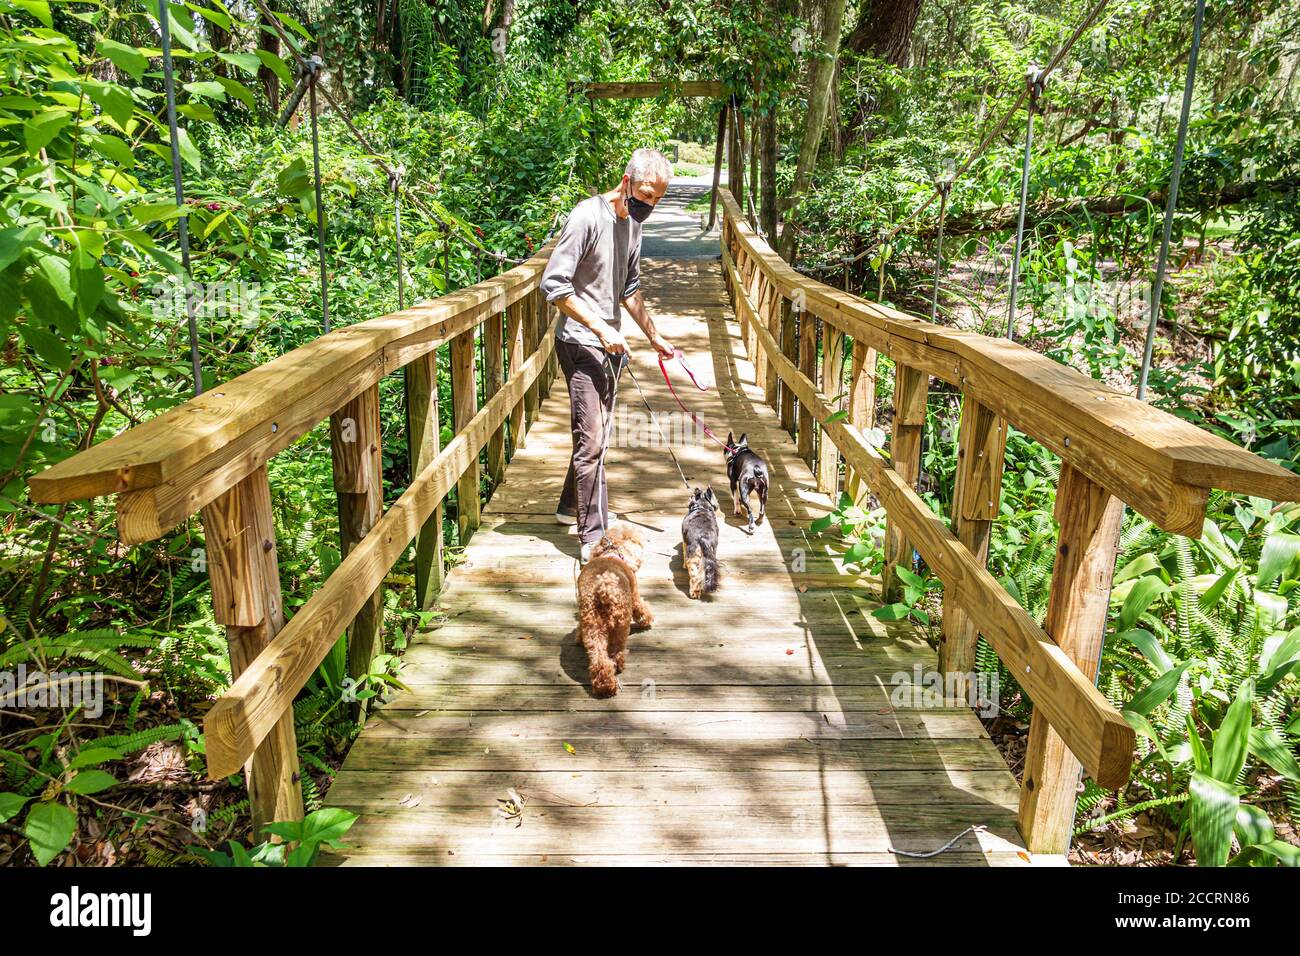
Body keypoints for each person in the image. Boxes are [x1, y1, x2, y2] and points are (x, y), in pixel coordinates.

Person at [540, 148, 675, 563]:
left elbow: (629, 288)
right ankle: (593, 537)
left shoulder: (632, 224)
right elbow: (554, 285)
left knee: (593, 433)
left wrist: (654, 336)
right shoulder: (586, 217)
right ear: (626, 180)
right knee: (593, 438)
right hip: (580, 341)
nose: (649, 205)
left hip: (612, 344)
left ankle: (569, 505)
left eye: (657, 199)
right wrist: (600, 327)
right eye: (646, 194)